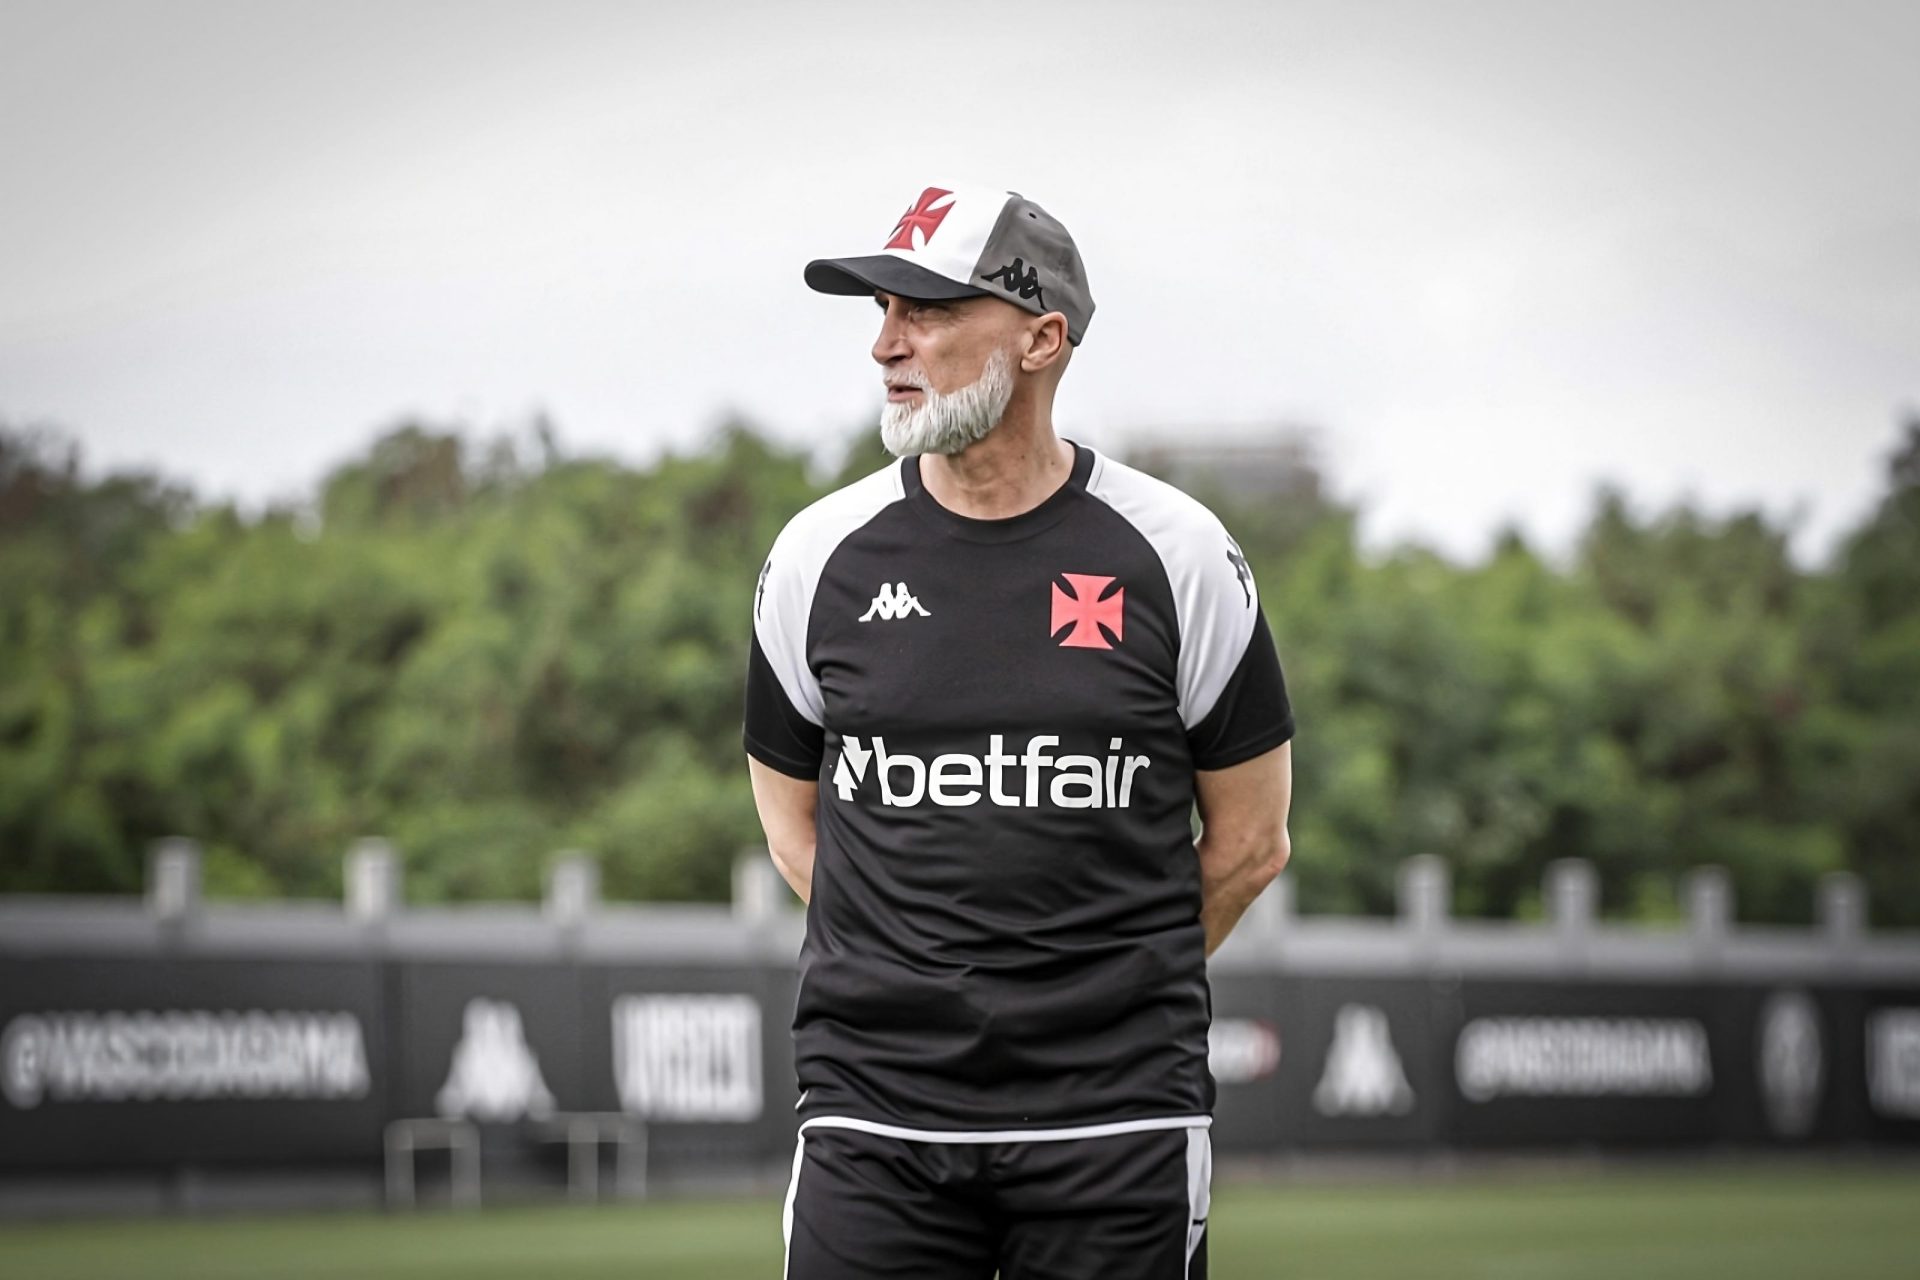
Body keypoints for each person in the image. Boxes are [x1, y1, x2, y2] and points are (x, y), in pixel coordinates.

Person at [744, 184, 1294, 1280]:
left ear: (1043, 337)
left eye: (931, 310)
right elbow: (794, 821)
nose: (887, 345)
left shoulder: (1178, 554)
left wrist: (1093, 990)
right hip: (874, 1116)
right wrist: (929, 972)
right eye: (881, 311)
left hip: (1114, 1118)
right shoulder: (819, 555)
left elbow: (1250, 841)